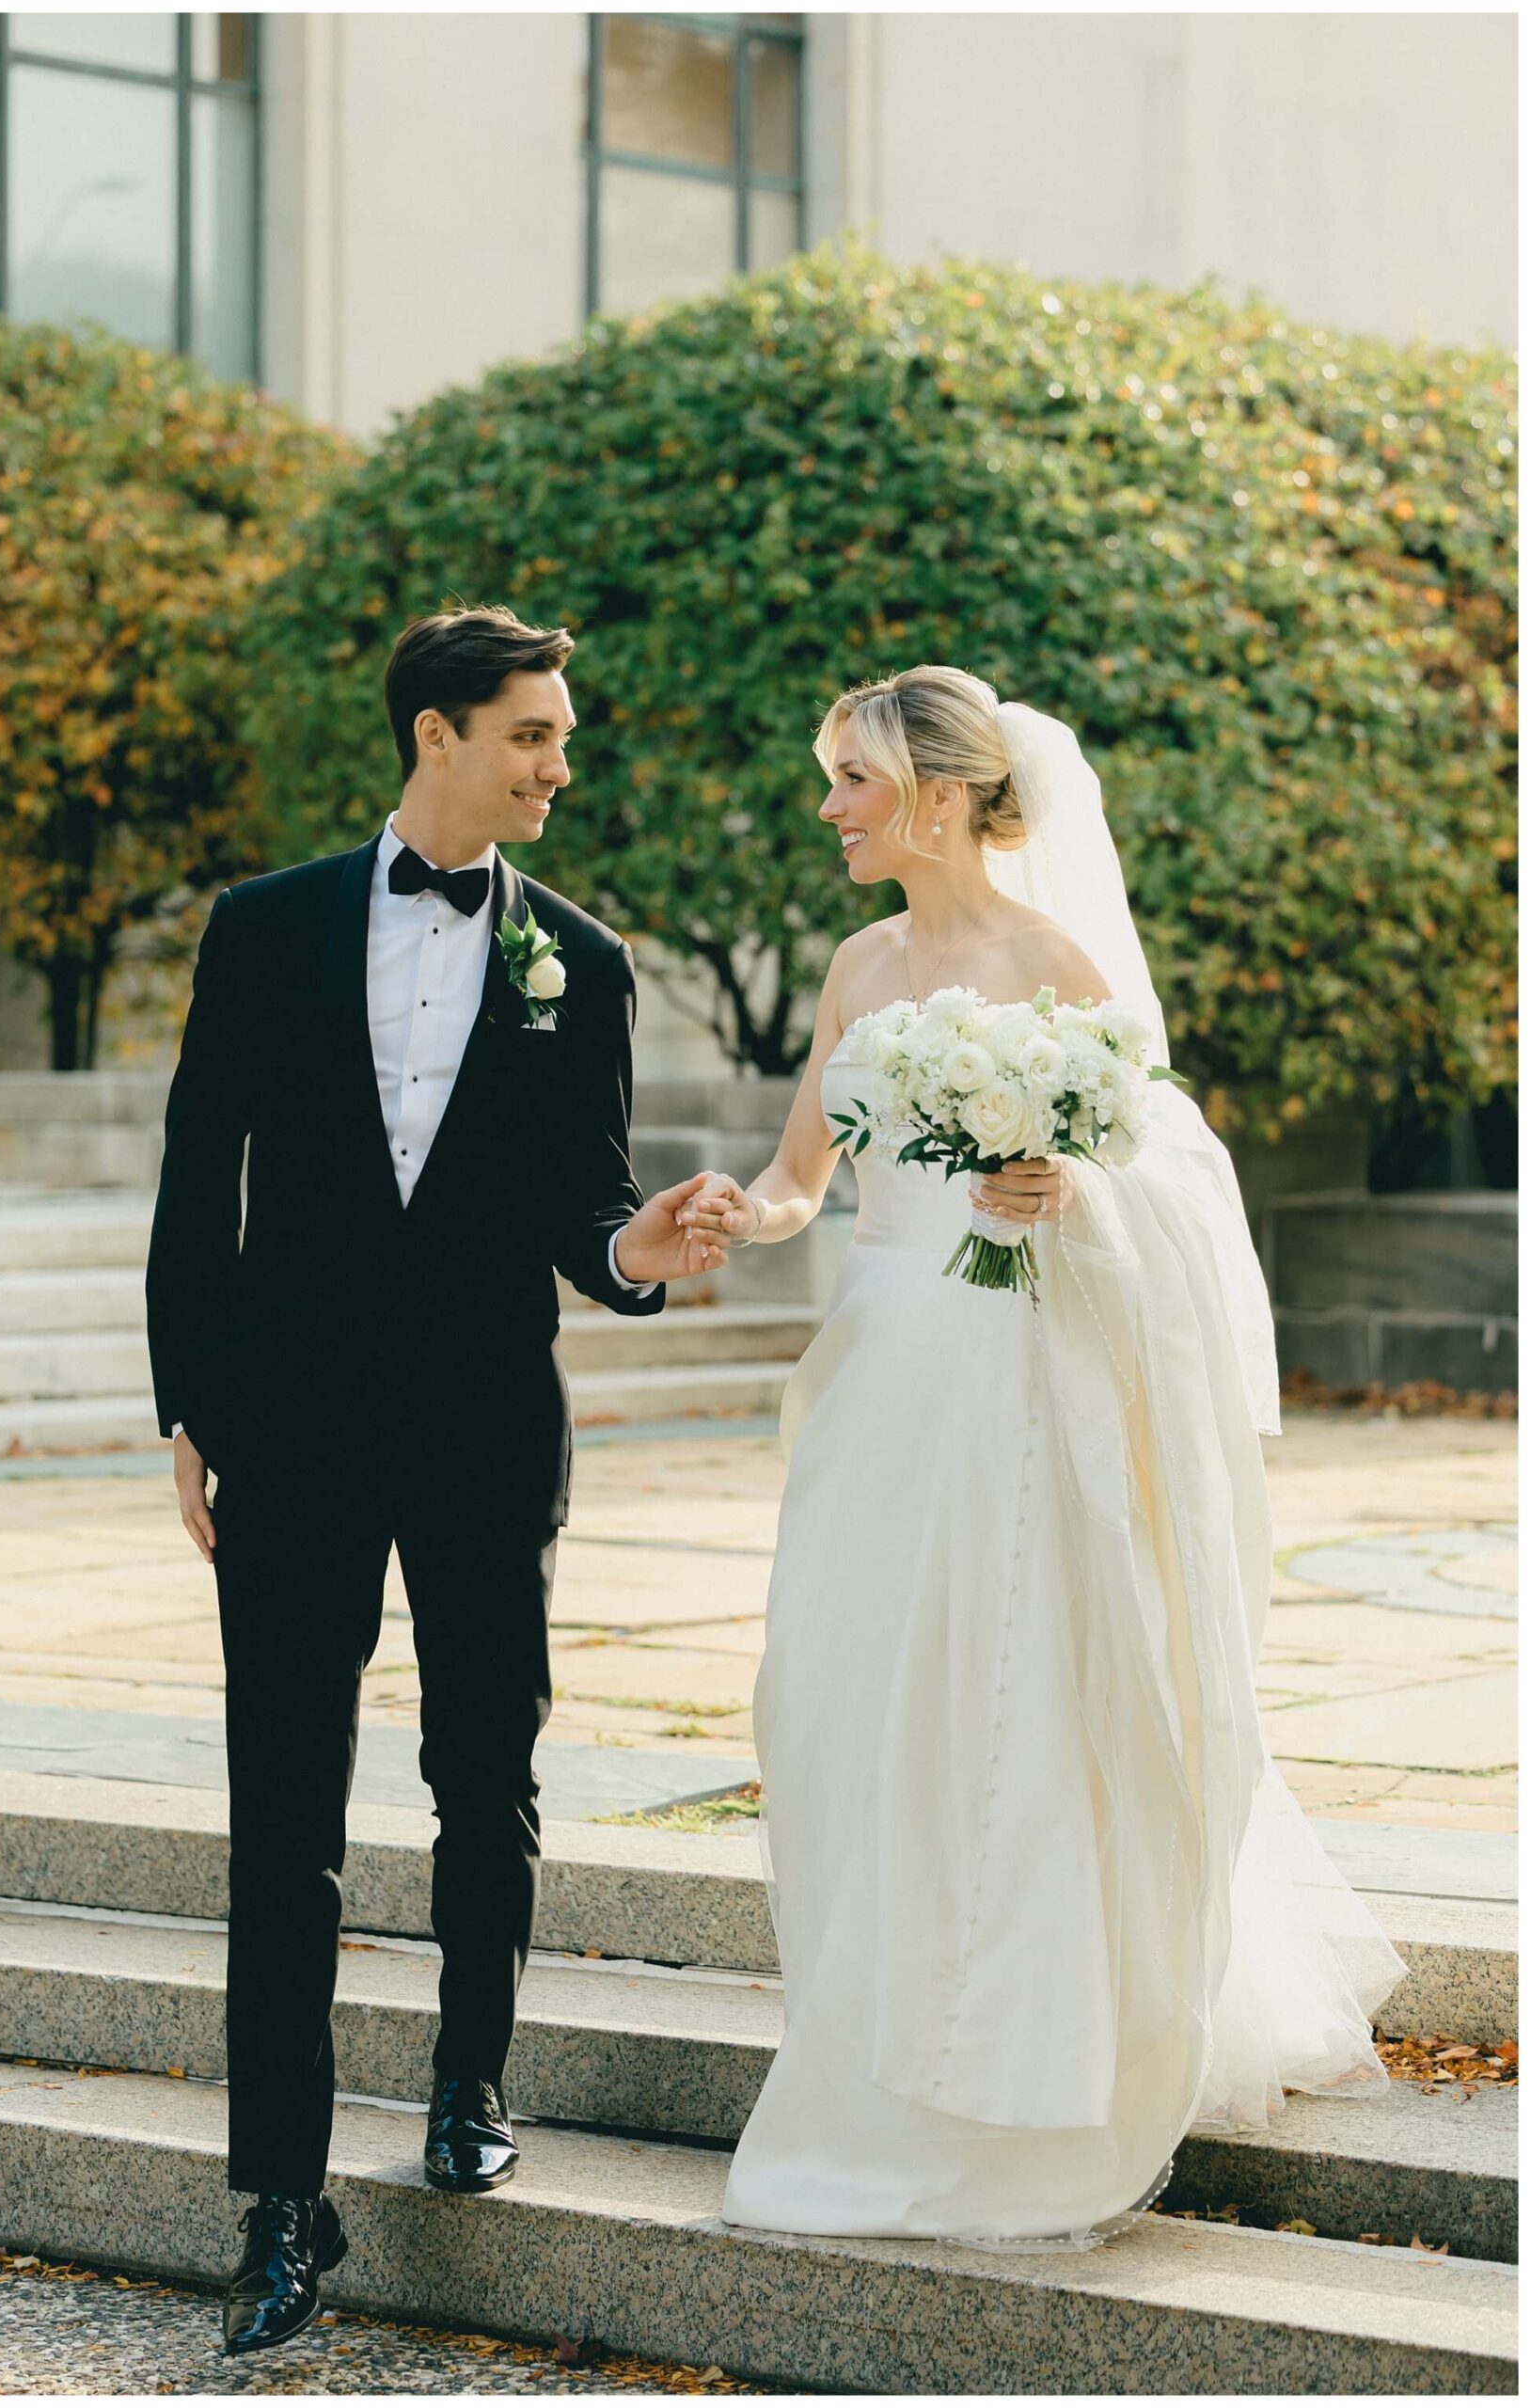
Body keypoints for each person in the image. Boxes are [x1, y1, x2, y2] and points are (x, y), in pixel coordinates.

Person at [679, 666, 1405, 2252]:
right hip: (882, 1387)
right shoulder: (859, 967)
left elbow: (1168, 1190)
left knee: (1011, 1695)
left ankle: (1019, 2079)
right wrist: (746, 1214)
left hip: (1020, 1391)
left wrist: (1067, 1194)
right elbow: (811, 1177)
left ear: (941, 793)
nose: (831, 809)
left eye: (853, 780)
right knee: (851, 1707)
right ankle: (870, 2056)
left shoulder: (1060, 962)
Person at [146, 605, 725, 2353]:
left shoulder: (587, 961)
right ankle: (278, 2207)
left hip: (485, 1429)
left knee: (488, 1779)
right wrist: (191, 1411)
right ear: (436, 737)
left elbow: (585, 1216)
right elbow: (197, 1187)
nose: (562, 763)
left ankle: (470, 2083)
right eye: (534, 734)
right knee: (284, 1829)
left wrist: (646, 1251)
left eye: (560, 734)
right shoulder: (261, 932)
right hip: (294, 1433)